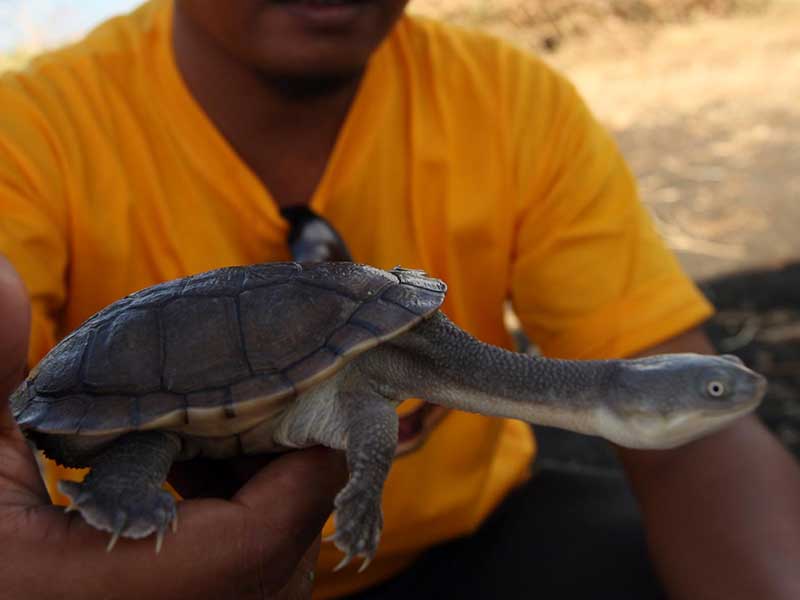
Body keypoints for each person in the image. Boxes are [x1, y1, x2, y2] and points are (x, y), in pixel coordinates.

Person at [0, 1, 798, 598]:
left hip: (473, 543)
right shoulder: (31, 128)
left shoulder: (512, 100)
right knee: (147, 444)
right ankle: (124, 486)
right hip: (147, 501)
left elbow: (686, 410)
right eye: (718, 390)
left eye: (719, 386)